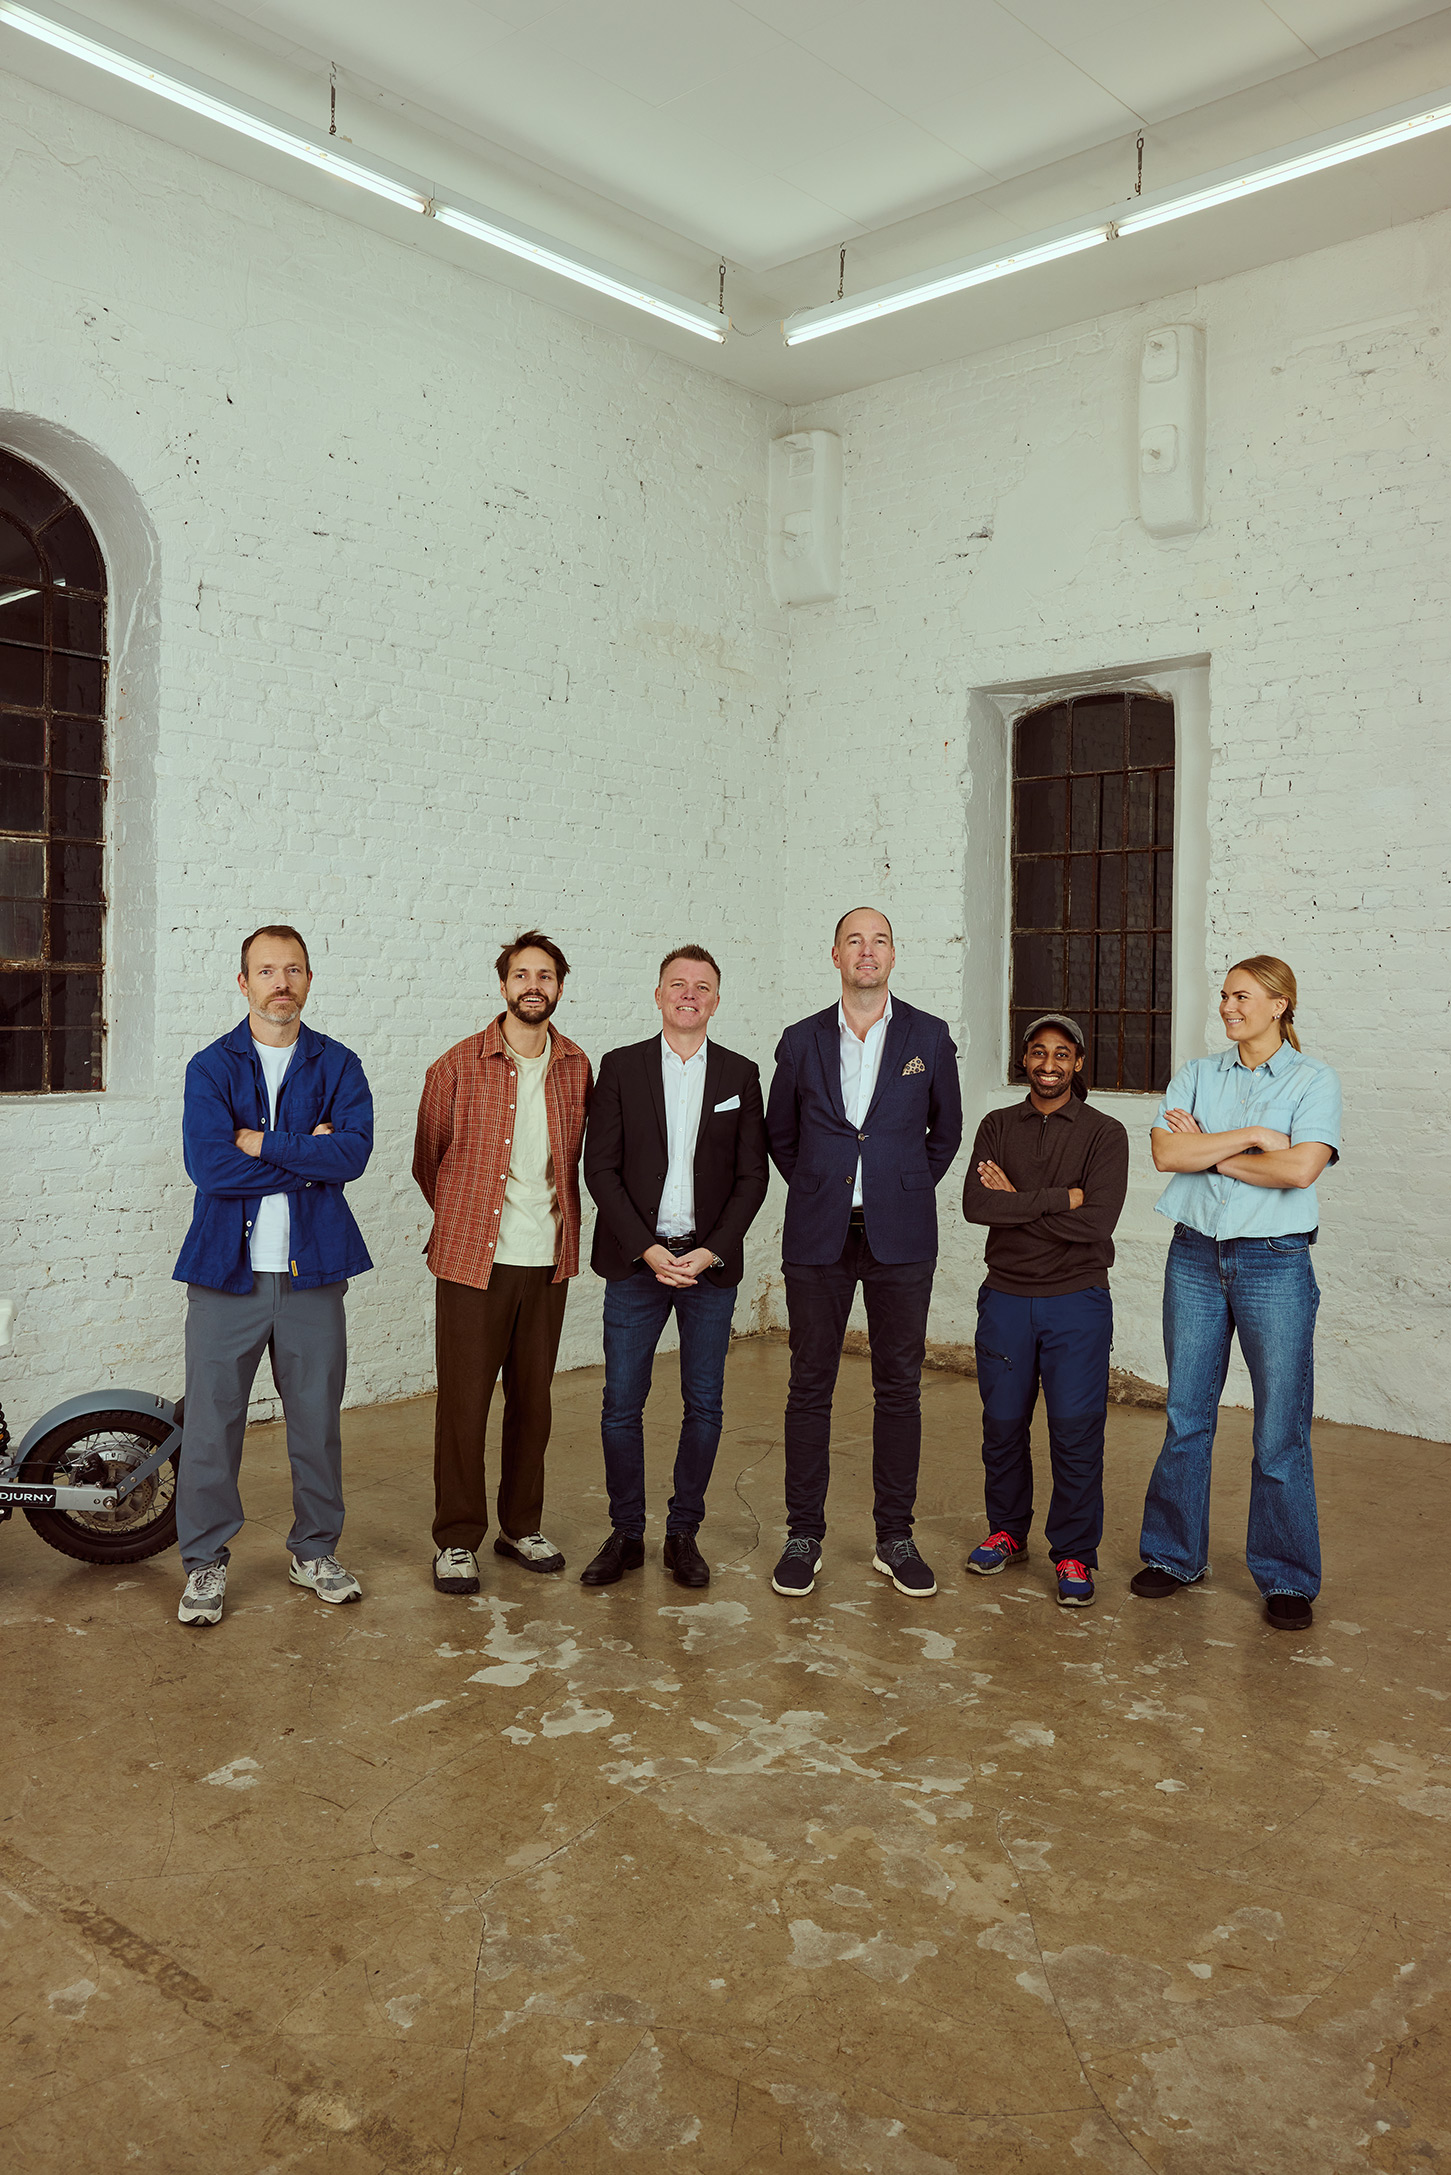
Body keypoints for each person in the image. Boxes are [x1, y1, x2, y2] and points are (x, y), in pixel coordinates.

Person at [173, 925, 374, 1627]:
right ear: (244, 982)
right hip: (225, 1277)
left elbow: (351, 1156)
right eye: (266, 970)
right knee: (211, 1428)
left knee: (316, 1425)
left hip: (313, 1276)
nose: (280, 982)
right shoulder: (211, 1066)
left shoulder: (338, 1064)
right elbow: (210, 1167)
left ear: (309, 980)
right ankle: (203, 1560)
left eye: (292, 969)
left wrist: (260, 1142)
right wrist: (306, 1158)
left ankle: (313, 1551)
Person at [1132, 956, 1340, 1630]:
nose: (1227, 1006)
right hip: (1194, 1255)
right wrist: (1252, 1140)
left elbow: (1300, 1168)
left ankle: (1286, 1577)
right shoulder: (1196, 1075)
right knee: (1186, 1414)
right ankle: (1173, 1557)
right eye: (1224, 995)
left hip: (1274, 1263)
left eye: (1242, 996)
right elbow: (1167, 1155)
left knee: (1279, 1427)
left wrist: (1211, 1152)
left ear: (1279, 1004)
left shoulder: (1313, 1080)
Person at [765, 908, 962, 1598]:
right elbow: (780, 1134)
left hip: (900, 1237)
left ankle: (894, 1537)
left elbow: (945, 1132)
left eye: (879, 940)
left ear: (893, 955)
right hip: (817, 1235)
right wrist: (823, 1186)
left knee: (899, 1387)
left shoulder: (928, 1036)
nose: (867, 950)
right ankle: (803, 1535)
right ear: (835, 955)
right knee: (808, 1385)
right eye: (854, 940)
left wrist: (895, 1188)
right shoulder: (800, 1039)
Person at [580, 946, 769, 1589]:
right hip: (637, 1263)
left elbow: (752, 1176)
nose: (690, 994)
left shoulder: (741, 1074)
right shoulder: (620, 1067)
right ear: (658, 995)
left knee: (705, 1405)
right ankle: (626, 1534)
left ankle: (683, 1533)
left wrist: (711, 1250)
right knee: (620, 1405)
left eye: (703, 986)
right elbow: (600, 1169)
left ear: (716, 1000)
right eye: (678, 984)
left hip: (708, 1266)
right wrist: (647, 1248)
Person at [413, 932, 592, 1596]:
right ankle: (457, 1538)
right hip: (472, 1262)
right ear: (503, 985)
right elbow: (429, 1160)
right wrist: (468, 1220)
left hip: (548, 1259)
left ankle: (521, 1526)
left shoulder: (577, 1066)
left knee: (533, 1403)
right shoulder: (456, 1066)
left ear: (560, 987)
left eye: (545, 975)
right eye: (521, 974)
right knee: (463, 1406)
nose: (533, 985)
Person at [960, 1015, 1129, 1607]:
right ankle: (1007, 1531)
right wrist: (1060, 1199)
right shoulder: (997, 1125)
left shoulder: (1106, 1133)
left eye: (1061, 1053)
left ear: (1078, 1062)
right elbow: (976, 1205)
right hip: (1005, 1299)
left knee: (1076, 1431)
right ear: (1025, 1060)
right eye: (1038, 1052)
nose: (1048, 1063)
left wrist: (1017, 1203)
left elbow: (1097, 1223)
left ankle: (1075, 1553)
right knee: (1003, 1424)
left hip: (1077, 1302)